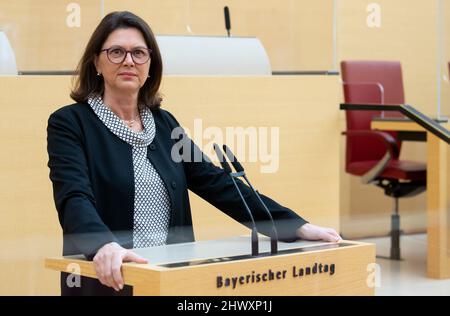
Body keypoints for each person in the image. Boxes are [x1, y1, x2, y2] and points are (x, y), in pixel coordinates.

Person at [47, 11, 341, 296]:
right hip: (109, 276)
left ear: (150, 65)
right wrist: (102, 245)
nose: (128, 61)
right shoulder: (71, 123)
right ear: (96, 62)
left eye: (139, 53)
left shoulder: (164, 124)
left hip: (168, 277)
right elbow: (74, 197)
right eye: (116, 52)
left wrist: (295, 226)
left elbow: (217, 183)